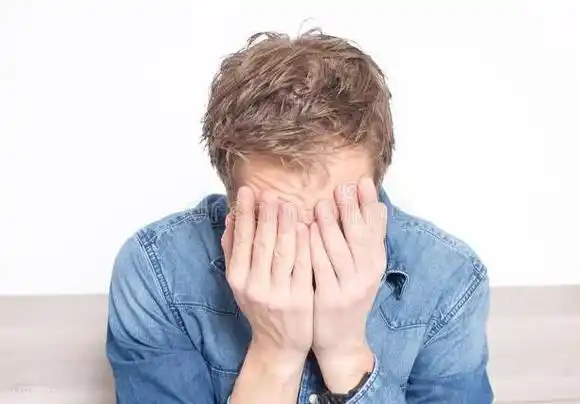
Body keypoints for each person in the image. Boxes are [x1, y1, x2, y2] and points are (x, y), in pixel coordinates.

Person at [106, 30, 493, 404]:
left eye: (335, 217)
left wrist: (345, 353)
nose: (306, 248)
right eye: (275, 219)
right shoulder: (158, 270)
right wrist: (274, 354)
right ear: (232, 199)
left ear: (375, 190)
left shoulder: (450, 281)